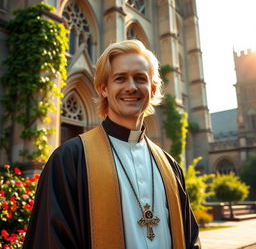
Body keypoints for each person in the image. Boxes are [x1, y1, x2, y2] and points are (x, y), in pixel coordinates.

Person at [23, 40, 200, 249]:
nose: (131, 87)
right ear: (103, 88)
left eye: (140, 78)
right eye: (120, 78)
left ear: (152, 89)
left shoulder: (170, 167)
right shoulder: (69, 160)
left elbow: (190, 240)